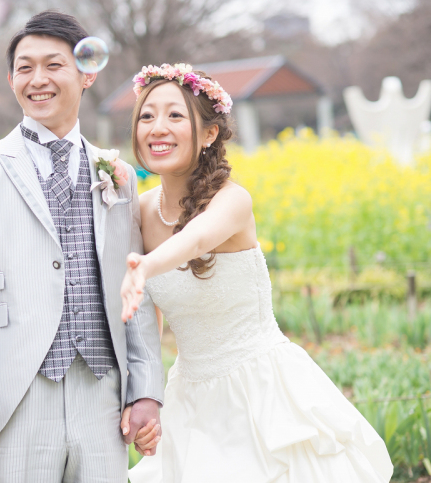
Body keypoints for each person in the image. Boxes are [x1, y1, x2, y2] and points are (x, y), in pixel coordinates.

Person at [118, 63, 393, 482]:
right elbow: (147, 322)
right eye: (147, 116)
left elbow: (195, 240)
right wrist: (146, 396)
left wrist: (144, 266)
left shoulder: (232, 200)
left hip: (260, 388)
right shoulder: (138, 211)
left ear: (210, 133)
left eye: (175, 115)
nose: (158, 127)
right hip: (190, 398)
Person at [0, 11, 164, 483]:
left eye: (53, 65)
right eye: (24, 67)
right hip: (13, 397)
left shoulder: (116, 175)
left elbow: (133, 289)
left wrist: (146, 391)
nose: (37, 79)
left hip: (101, 396)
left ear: (86, 73)